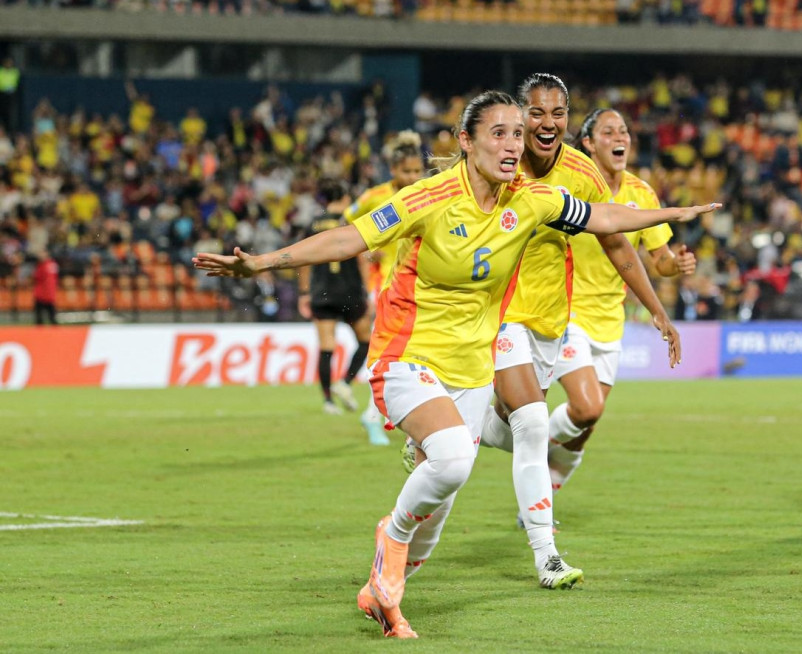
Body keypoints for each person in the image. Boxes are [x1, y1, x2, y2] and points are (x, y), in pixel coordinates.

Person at [194, 90, 718, 638]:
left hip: (473, 369)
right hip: (406, 353)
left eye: (518, 133)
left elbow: (605, 216)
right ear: (466, 141)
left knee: (440, 503)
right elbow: (352, 236)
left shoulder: (534, 200)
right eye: (499, 133)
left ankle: (384, 588)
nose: (513, 144)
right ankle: (394, 537)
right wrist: (263, 263)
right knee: (451, 461)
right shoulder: (430, 198)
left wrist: (673, 213)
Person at [477, 74, 683, 589]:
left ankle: (459, 425)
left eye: (558, 113)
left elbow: (620, 245)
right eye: (537, 113)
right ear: (520, 114)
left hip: (556, 317)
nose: (547, 124)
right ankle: (546, 555)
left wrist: (656, 309)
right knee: (532, 425)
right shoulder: (499, 160)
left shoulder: (582, 173)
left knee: (528, 424)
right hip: (502, 314)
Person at [545, 108, 697, 513]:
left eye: (625, 131)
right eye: (608, 131)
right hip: (565, 312)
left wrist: (675, 266)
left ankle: (542, 497)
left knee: (584, 425)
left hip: (609, 321)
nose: (621, 137)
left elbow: (658, 259)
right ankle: (522, 441)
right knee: (587, 406)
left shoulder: (641, 193)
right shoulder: (572, 184)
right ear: (589, 143)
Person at [343, 130, 425, 445]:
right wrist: (363, 250)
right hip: (385, 286)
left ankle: (388, 416)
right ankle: (375, 415)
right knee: (390, 355)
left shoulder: (426, 195)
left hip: (418, 284)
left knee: (409, 355)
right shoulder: (376, 197)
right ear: (393, 170)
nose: (413, 176)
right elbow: (345, 221)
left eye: (417, 171)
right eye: (407, 171)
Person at [296, 179, 373, 420]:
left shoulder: (314, 224)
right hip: (350, 291)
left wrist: (304, 293)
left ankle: (329, 400)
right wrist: (368, 292)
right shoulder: (352, 221)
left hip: (322, 293)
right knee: (365, 341)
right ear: (345, 197)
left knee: (326, 347)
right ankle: (346, 382)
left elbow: (305, 260)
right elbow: (362, 259)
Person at [33, 248, 58, 325]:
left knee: (52, 317)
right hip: (41, 294)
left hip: (47, 294)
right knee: (39, 318)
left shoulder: (49, 265)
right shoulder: (42, 265)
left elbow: (37, 277)